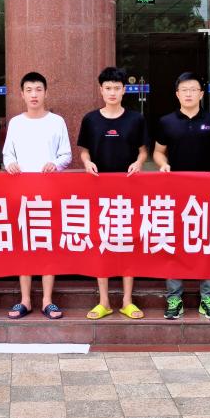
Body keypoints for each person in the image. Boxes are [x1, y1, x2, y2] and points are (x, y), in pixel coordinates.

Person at [153, 72, 210, 321]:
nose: (188, 94)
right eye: (184, 90)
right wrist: (163, 164)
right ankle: (174, 297)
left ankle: (208, 297)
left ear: (201, 94)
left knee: (207, 241)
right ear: (177, 94)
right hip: (175, 192)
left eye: (193, 89)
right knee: (174, 242)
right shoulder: (166, 122)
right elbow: (158, 152)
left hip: (206, 191)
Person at [78, 66, 149, 320]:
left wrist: (139, 163)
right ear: (100, 90)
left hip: (129, 189)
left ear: (124, 90)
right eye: (107, 88)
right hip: (98, 189)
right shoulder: (90, 119)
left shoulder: (136, 119)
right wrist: (87, 162)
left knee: (128, 242)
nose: (112, 92)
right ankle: (104, 301)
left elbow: (143, 150)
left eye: (117, 88)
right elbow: (84, 150)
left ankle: (127, 300)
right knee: (102, 243)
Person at [2, 71, 72, 320]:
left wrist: (55, 164)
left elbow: (66, 155)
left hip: (49, 193)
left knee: (46, 245)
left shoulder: (57, 121)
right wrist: (10, 164)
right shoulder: (16, 123)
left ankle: (47, 300)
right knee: (25, 246)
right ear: (22, 94)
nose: (34, 95)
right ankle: (25, 300)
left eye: (38, 90)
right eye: (29, 90)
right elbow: (7, 154)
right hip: (21, 193)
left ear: (46, 93)